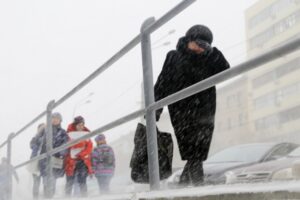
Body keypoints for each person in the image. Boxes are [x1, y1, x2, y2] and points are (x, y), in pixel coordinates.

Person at [154, 25, 230, 186]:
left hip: (205, 108)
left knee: (199, 149)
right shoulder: (174, 56)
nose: (201, 47)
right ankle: (194, 184)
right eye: (199, 43)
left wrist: (211, 51)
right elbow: (162, 83)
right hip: (181, 110)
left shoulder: (208, 58)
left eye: (205, 44)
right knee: (191, 148)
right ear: (189, 40)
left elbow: (225, 70)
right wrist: (156, 110)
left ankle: (187, 184)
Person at [36, 113, 68, 198]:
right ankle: (46, 196)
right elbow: (36, 141)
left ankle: (50, 196)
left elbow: (65, 145)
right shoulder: (45, 130)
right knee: (46, 180)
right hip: (44, 159)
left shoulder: (63, 132)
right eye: (53, 118)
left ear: (60, 120)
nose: (54, 120)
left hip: (56, 159)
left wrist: (60, 152)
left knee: (53, 180)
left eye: (57, 118)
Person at [65, 116, 93, 197]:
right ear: (75, 125)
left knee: (82, 181)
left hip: (82, 161)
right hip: (70, 161)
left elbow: (89, 147)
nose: (81, 126)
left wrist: (82, 154)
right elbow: (67, 145)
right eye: (79, 125)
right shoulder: (68, 134)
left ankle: (84, 197)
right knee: (69, 181)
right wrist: (81, 143)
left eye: (82, 125)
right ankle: (66, 198)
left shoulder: (86, 134)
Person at [29, 123, 46, 199]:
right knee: (36, 182)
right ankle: (35, 197)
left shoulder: (48, 137)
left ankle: (46, 197)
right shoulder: (35, 138)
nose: (42, 130)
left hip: (44, 162)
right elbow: (32, 146)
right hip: (36, 162)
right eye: (41, 128)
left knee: (45, 181)